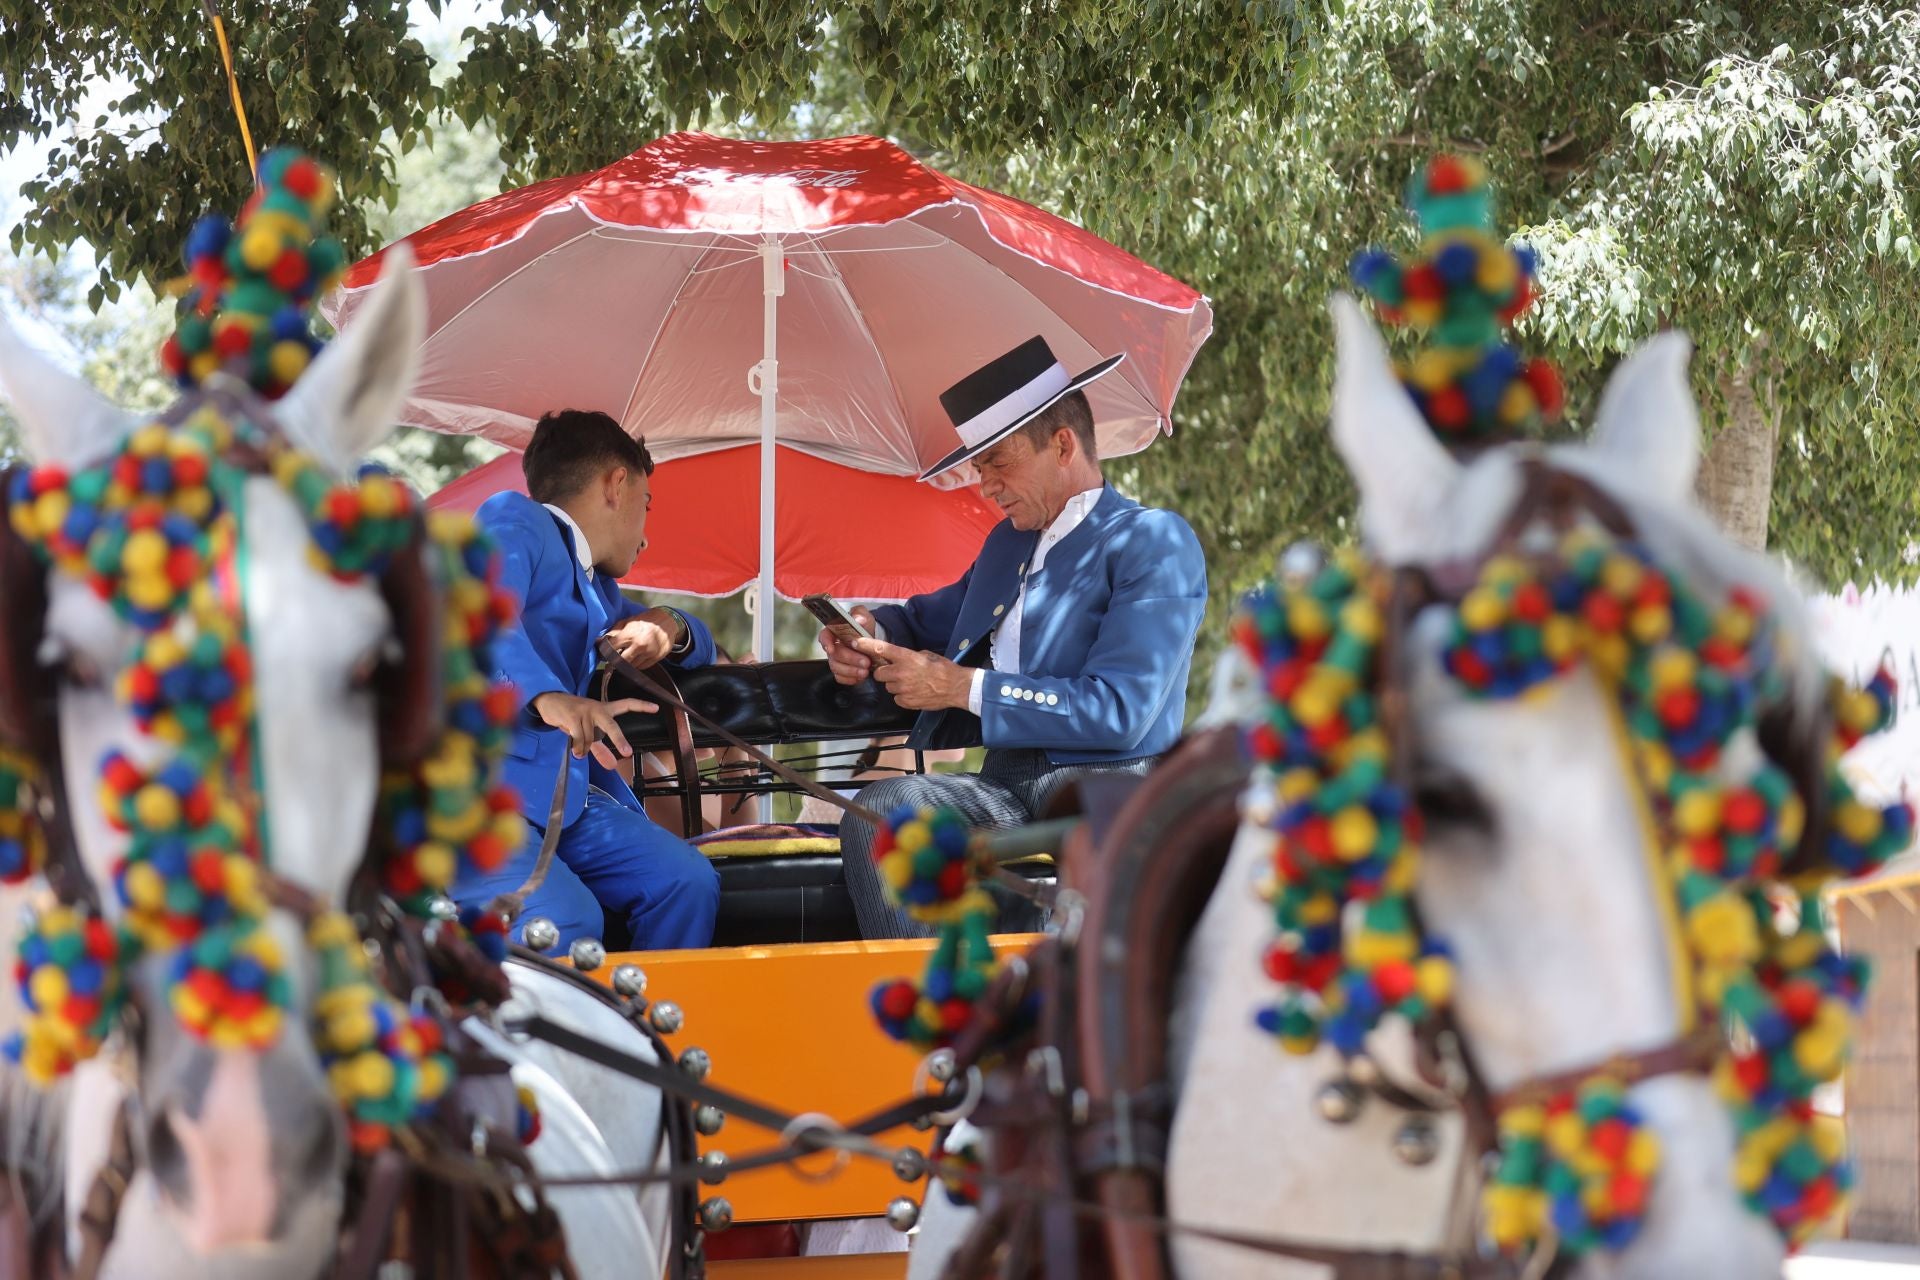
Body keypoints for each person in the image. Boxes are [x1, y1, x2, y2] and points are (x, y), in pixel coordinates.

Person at [819, 336, 1208, 938]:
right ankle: (931, 1017)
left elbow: (1119, 712)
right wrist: (866, 630)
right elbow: (929, 619)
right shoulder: (1008, 544)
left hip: (1107, 787)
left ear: (1062, 444)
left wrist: (959, 688)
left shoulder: (1153, 540)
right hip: (1005, 785)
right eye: (980, 469)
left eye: (999, 462)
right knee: (882, 811)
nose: (987, 485)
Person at [454, 409, 721, 952]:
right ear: (617, 484)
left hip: (562, 803)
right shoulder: (514, 519)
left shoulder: (598, 591)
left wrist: (668, 626)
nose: (646, 538)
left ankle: (652, 1033)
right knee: (569, 922)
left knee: (685, 882)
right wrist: (550, 697)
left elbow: (704, 645)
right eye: (649, 505)